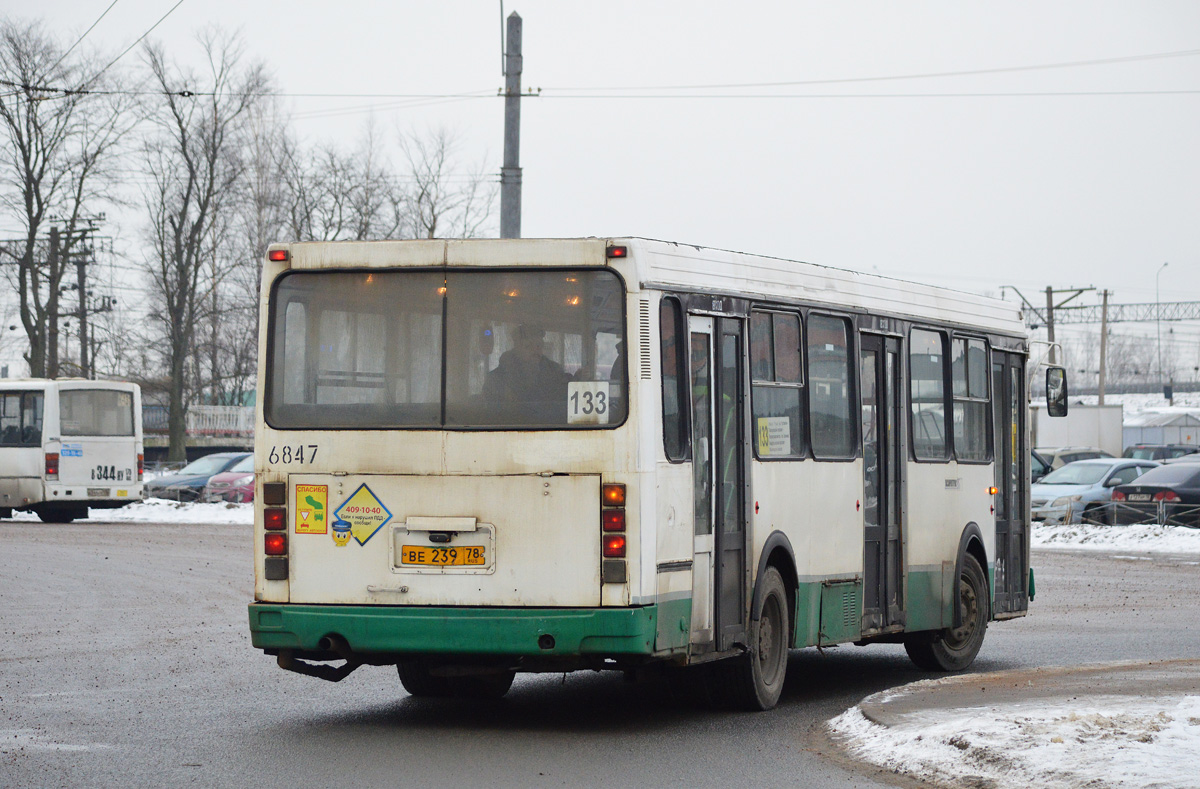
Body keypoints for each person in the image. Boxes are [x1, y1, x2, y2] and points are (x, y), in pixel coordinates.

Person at [483, 324, 575, 418]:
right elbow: (493, 416)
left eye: (538, 346)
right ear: (516, 348)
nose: (535, 350)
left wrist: (578, 380)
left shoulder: (556, 374)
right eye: (528, 346)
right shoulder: (496, 379)